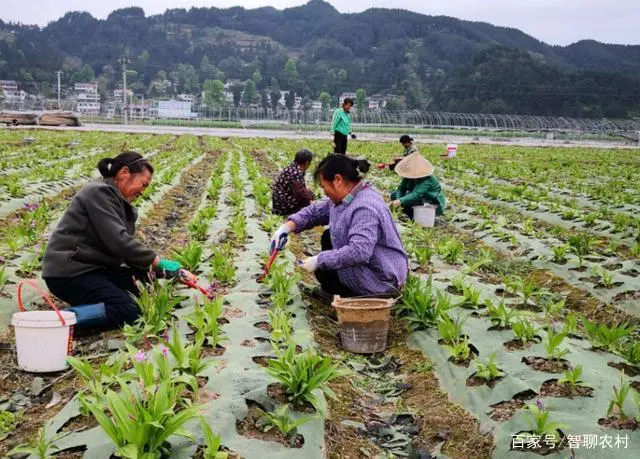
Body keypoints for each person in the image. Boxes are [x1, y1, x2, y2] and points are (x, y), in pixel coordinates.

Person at [42, 152, 194, 330]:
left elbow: (126, 252)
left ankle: (90, 309)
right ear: (124, 173)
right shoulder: (98, 193)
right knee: (126, 309)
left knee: (144, 285)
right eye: (143, 184)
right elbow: (120, 242)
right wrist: (158, 262)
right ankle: (54, 325)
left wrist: (168, 272)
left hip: (95, 269)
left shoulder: (116, 201)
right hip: (70, 273)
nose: (143, 191)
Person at [270, 154, 408, 297]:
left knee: (326, 263)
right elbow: (316, 211)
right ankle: (338, 290)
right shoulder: (348, 196)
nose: (324, 192)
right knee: (329, 237)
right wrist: (286, 227)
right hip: (372, 265)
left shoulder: (365, 207)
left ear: (338, 180)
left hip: (381, 280)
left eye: (324, 186)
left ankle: (353, 297)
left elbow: (359, 251)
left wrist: (319, 260)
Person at [390, 153, 446, 220]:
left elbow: (416, 195)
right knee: (394, 194)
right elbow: (401, 188)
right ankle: (408, 213)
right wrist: (398, 199)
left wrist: (400, 201)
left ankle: (414, 217)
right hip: (418, 198)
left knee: (411, 200)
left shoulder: (427, 180)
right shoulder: (408, 176)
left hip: (429, 201)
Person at [271, 148, 315, 216]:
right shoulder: (296, 173)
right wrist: (310, 201)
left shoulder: (292, 167)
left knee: (308, 193)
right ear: (306, 163)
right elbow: (300, 192)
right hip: (282, 205)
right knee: (307, 199)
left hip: (278, 201)